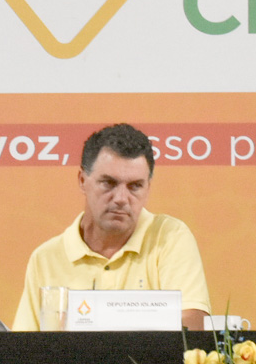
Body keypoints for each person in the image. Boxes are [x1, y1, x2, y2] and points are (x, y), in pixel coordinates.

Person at [12, 123, 211, 331]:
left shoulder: (171, 237)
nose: (121, 199)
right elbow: (24, 351)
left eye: (135, 186)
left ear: (148, 188)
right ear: (82, 180)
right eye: (108, 183)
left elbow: (193, 330)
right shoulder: (45, 258)